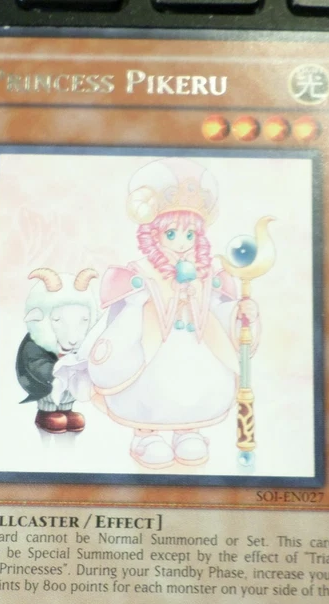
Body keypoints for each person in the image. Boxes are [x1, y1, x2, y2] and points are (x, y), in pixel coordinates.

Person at [84, 158, 260, 469]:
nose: (181, 244)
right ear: (154, 235)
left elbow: (218, 315)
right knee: (149, 388)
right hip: (153, 350)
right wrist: (141, 302)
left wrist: (240, 313)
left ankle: (188, 431)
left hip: (196, 350)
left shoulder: (207, 275)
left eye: (189, 236)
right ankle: (146, 435)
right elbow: (125, 322)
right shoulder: (139, 273)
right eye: (171, 234)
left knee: (194, 388)